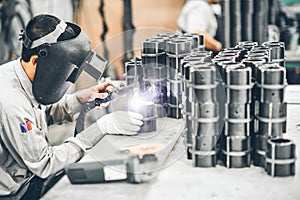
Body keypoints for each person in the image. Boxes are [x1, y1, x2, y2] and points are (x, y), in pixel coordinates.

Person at [0, 14, 143, 199]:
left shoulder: (18, 71)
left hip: (28, 180)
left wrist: (82, 99)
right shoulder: (10, 101)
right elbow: (45, 164)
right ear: (37, 60)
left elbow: (44, 112)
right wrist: (101, 128)